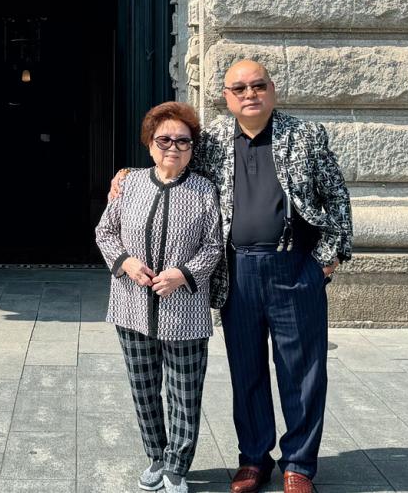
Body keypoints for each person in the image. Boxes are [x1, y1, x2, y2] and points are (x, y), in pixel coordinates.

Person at [110, 60, 353, 493]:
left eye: (257, 85)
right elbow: (171, 162)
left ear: (272, 90)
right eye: (238, 88)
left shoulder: (305, 135)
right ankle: (254, 459)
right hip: (236, 271)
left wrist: (326, 261)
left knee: (303, 372)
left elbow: (336, 197)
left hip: (294, 268)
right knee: (247, 371)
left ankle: (298, 465)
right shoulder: (214, 140)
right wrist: (127, 175)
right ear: (226, 97)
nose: (249, 94)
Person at [95, 102, 224, 493]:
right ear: (150, 144)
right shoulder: (129, 184)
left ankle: (177, 466)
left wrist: (183, 274)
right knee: (144, 387)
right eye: (164, 139)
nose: (173, 147)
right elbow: (105, 232)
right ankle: (155, 455)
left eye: (183, 141)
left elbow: (213, 246)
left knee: (185, 393)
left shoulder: (204, 190)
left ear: (192, 148)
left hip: (185, 312)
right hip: (131, 308)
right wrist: (126, 263)